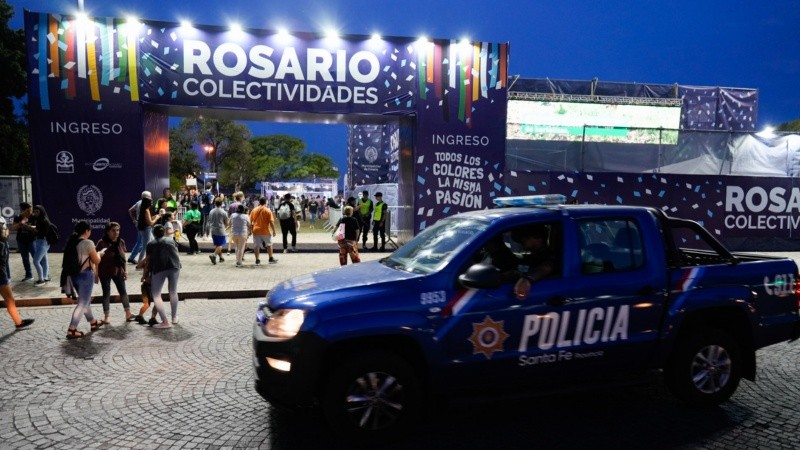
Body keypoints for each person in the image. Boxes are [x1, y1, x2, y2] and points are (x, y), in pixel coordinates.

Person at [63, 220, 104, 339]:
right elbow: (96, 261)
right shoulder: (88, 243)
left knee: (84, 301)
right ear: (87, 231)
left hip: (74, 275)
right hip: (86, 275)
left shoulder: (72, 242)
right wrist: (100, 254)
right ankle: (72, 329)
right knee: (82, 303)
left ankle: (93, 322)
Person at [142, 224, 181, 328]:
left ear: (154, 234)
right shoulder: (171, 240)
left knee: (156, 295)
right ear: (163, 232)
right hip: (174, 266)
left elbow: (148, 261)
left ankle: (165, 322)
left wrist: (145, 275)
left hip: (158, 268)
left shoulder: (151, 244)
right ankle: (174, 318)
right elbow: (177, 253)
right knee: (173, 291)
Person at [95, 222, 134, 323]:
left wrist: (125, 271)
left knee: (123, 292)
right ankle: (107, 316)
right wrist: (96, 274)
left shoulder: (120, 241)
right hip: (105, 271)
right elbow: (96, 258)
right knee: (106, 293)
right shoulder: (101, 242)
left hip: (118, 271)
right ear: (107, 231)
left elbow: (123, 257)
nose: (116, 232)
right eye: (113, 230)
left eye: (117, 230)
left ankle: (128, 313)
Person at [0, 217, 34, 329]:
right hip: (1, 276)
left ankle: (18, 321)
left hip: (3, 275)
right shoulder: (1, 244)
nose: (6, 230)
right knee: (10, 300)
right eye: (4, 228)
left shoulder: (3, 243)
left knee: (10, 300)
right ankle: (18, 322)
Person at [511, 225, 558, 300]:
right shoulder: (531, 256)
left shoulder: (548, 256)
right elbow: (522, 269)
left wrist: (527, 280)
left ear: (538, 239)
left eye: (525, 238)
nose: (522, 241)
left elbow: (546, 268)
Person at [30, 204, 55, 286]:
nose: (35, 213)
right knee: (44, 260)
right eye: (34, 211)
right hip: (41, 242)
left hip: (43, 242)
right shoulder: (41, 220)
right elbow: (39, 230)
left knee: (36, 261)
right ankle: (45, 277)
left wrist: (28, 227)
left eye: (37, 211)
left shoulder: (43, 221)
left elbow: (40, 232)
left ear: (41, 212)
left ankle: (41, 279)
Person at [250, 196, 278, 265]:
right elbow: (271, 222)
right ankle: (270, 258)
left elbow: (250, 221)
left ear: (259, 202)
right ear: (266, 202)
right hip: (265, 230)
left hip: (256, 230)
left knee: (256, 245)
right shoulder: (268, 210)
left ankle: (257, 260)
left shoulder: (254, 210)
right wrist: (274, 230)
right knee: (269, 244)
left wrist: (250, 230)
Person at [11, 202, 35, 282]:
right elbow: (13, 228)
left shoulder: (33, 217)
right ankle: (29, 275)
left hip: (32, 240)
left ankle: (43, 275)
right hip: (21, 240)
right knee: (25, 258)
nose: (30, 212)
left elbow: (37, 227)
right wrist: (21, 223)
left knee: (36, 258)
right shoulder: (18, 217)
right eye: (28, 211)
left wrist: (29, 227)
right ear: (23, 211)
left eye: (31, 210)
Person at [136, 193, 161, 263]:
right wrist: (157, 218)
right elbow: (150, 223)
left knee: (153, 243)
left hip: (144, 229)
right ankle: (140, 262)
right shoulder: (146, 210)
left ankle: (150, 260)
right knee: (145, 247)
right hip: (147, 229)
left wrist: (155, 216)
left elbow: (147, 220)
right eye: (151, 201)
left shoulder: (143, 209)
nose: (152, 202)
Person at [127, 192, 150, 264]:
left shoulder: (138, 202)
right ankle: (139, 259)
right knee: (143, 243)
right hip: (144, 225)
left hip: (138, 223)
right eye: (150, 196)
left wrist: (134, 220)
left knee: (140, 241)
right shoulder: (144, 204)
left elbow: (130, 210)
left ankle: (132, 257)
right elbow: (130, 210)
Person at [207, 198, 230, 264]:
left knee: (217, 244)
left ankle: (221, 257)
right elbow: (227, 223)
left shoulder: (211, 211)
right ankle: (214, 255)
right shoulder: (223, 212)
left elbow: (210, 220)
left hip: (213, 230)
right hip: (220, 230)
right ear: (221, 203)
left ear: (215, 203)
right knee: (221, 244)